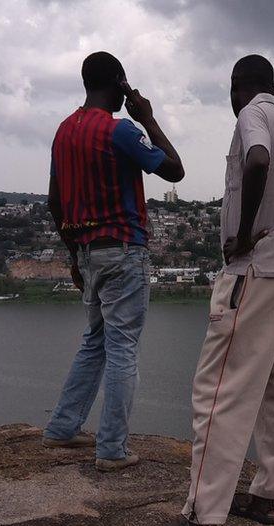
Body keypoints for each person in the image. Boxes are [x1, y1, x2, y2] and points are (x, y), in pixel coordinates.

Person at [129, 54, 274, 526]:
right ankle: (269, 494)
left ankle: (202, 519)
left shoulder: (252, 115)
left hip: (254, 272)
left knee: (218, 392)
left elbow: (258, 161)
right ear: (273, 86)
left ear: (237, 87)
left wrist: (244, 233)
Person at [42, 51, 184, 472]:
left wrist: (73, 256)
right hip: (123, 249)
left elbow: (55, 201)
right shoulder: (120, 131)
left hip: (85, 250)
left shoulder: (64, 131)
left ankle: (63, 427)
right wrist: (148, 118)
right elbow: (175, 170)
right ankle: (112, 449)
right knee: (122, 349)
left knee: (96, 342)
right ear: (121, 83)